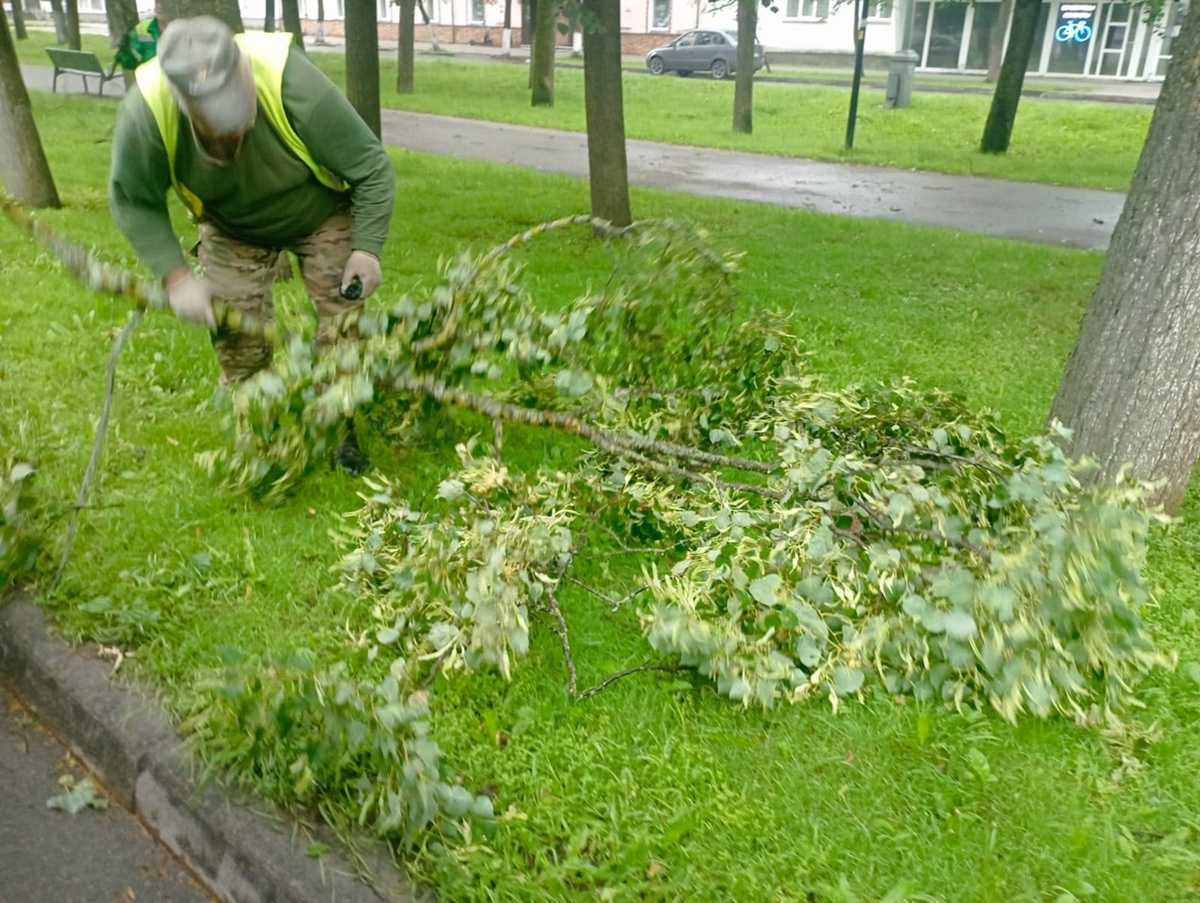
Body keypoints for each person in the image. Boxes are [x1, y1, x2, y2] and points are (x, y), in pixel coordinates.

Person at [108, 16, 395, 471]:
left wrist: (367, 248)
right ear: (186, 106)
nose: (235, 133)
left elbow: (370, 167)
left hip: (317, 211)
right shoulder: (146, 112)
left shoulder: (289, 79)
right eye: (220, 126)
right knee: (237, 334)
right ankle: (261, 435)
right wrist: (177, 277)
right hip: (230, 226)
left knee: (342, 326)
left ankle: (341, 428)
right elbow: (133, 200)